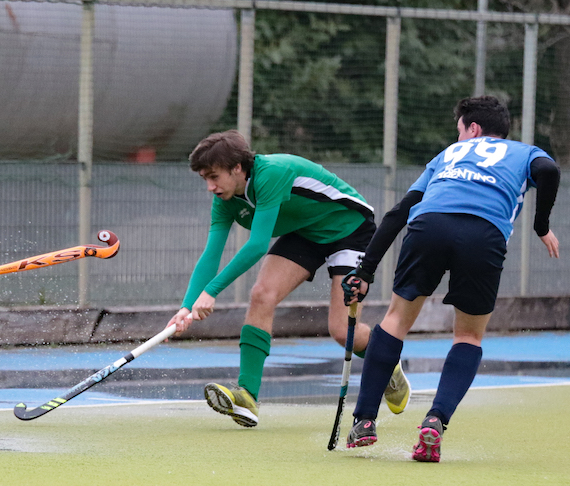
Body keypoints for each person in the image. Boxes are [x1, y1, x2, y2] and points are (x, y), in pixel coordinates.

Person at [342, 95, 561, 462]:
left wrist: (365, 270)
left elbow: (399, 213)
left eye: (459, 130)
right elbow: (550, 173)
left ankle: (364, 420)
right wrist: (542, 226)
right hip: (484, 234)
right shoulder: (525, 152)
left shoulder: (448, 156)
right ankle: (435, 421)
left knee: (394, 322)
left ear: (473, 129)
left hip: (429, 226)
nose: (458, 138)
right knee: (469, 336)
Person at [168, 130, 410, 427]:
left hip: (348, 228)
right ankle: (247, 397)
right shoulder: (225, 198)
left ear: (237, 168)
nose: (209, 187)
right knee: (262, 294)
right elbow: (210, 255)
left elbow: (257, 245)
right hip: (305, 232)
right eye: (204, 178)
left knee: (340, 330)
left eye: (213, 176)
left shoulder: (271, 173)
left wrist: (212, 291)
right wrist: (187, 305)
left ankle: (388, 364)